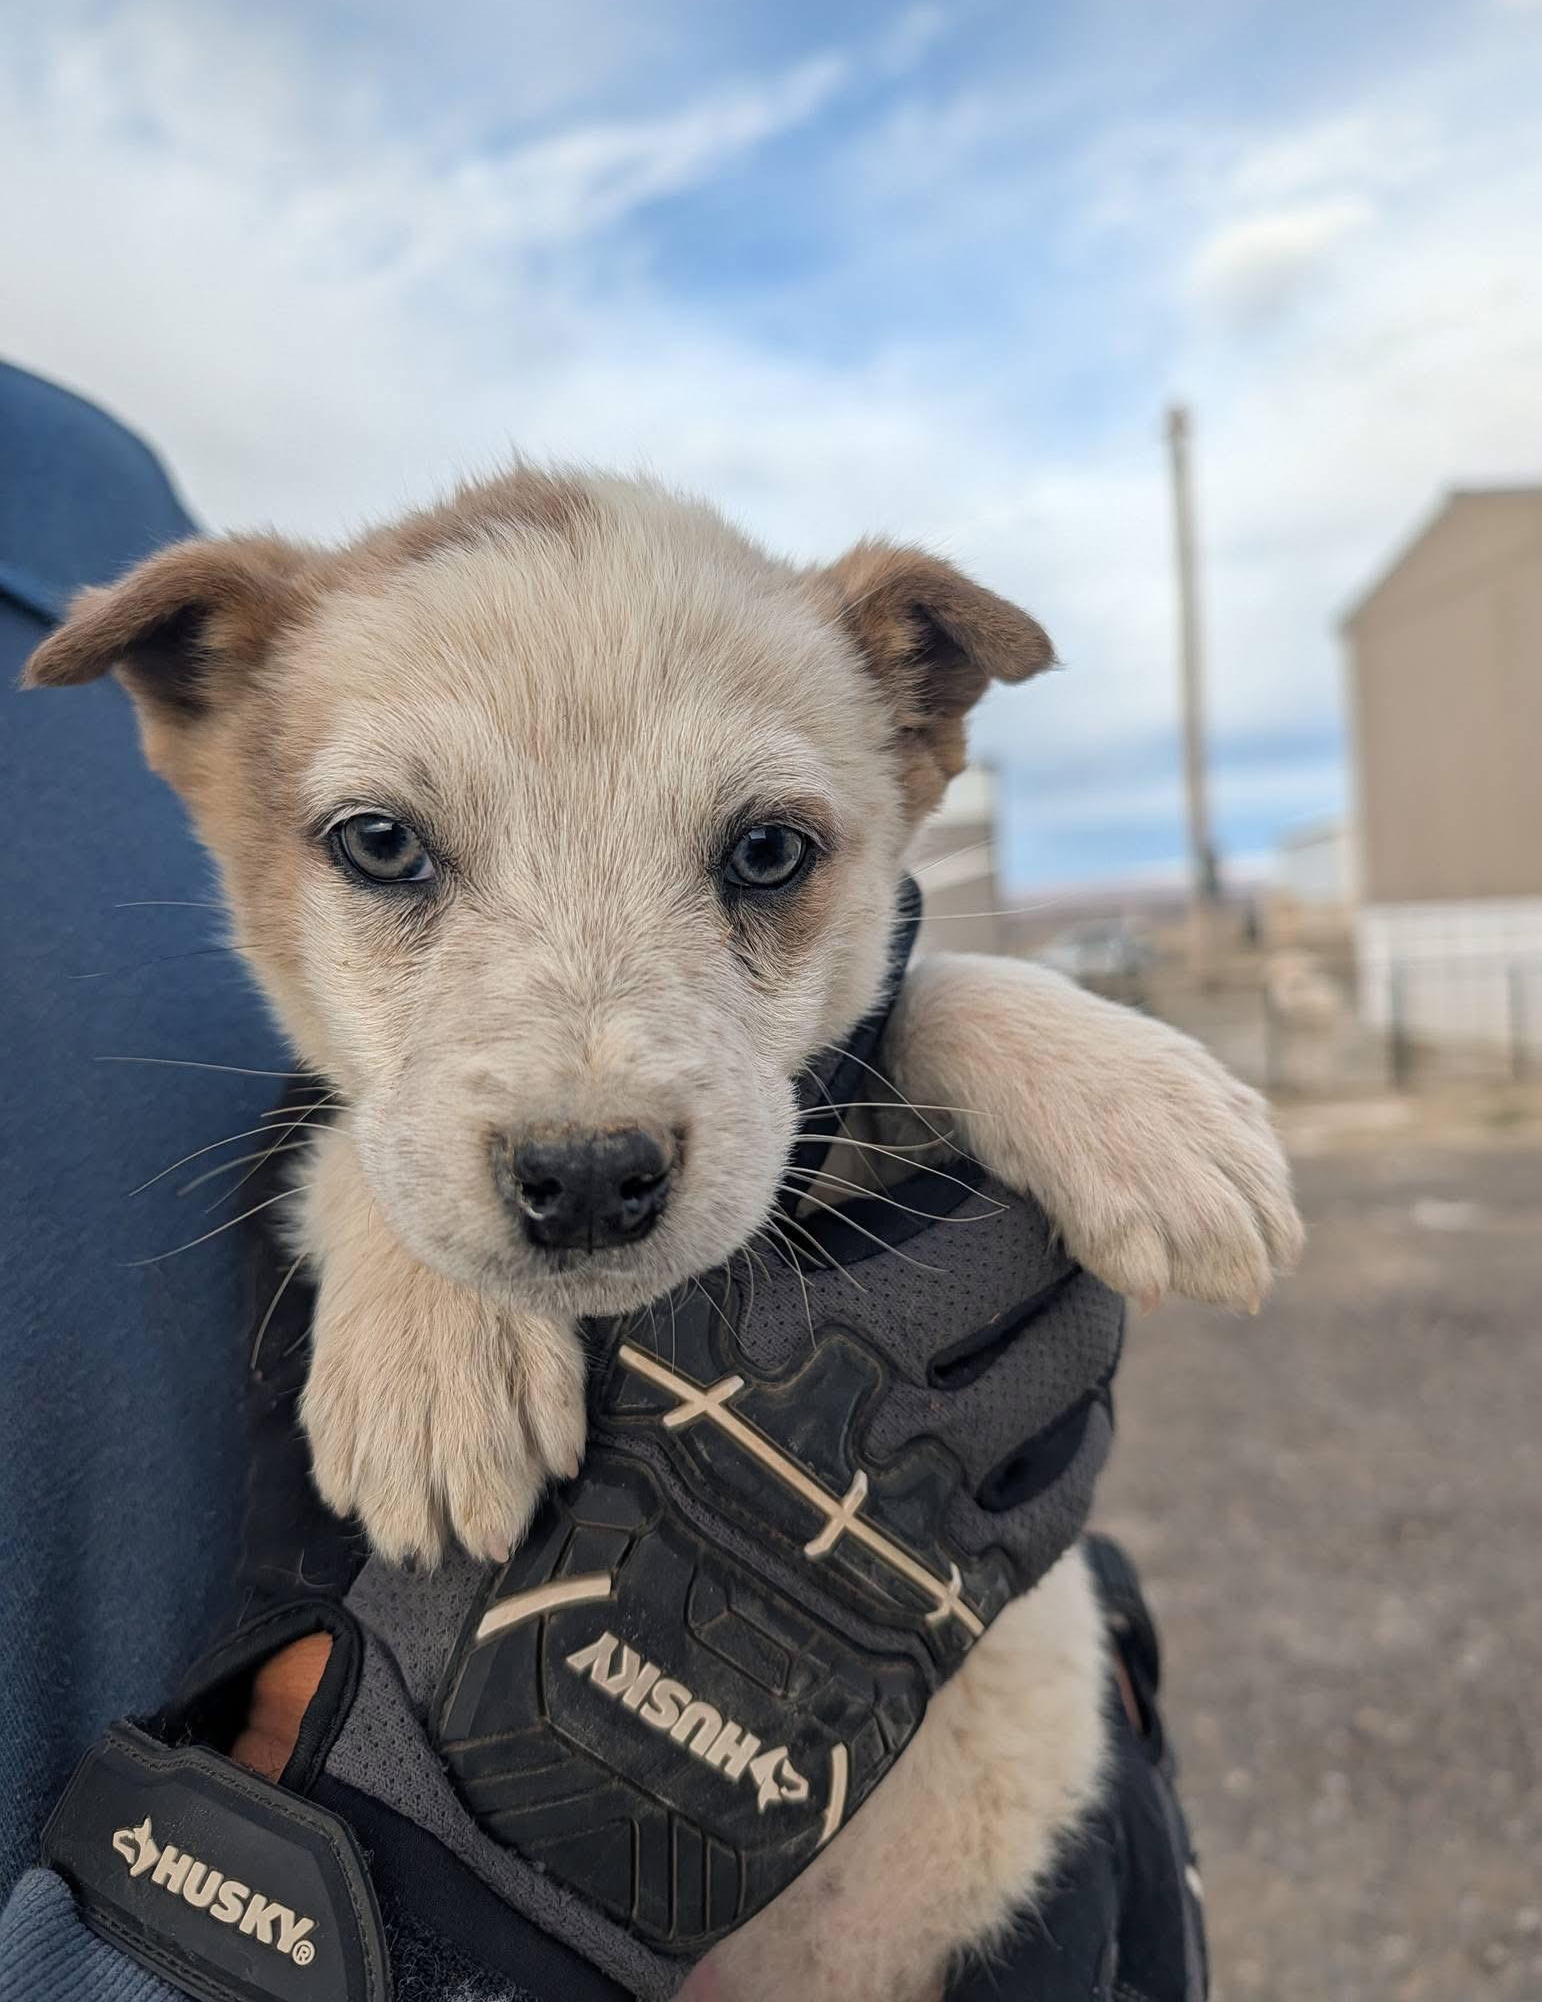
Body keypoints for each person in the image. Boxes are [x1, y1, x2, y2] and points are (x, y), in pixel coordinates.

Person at [0, 362, 1206, 2000]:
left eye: (759, 856)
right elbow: (327, 1125)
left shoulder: (89, 476)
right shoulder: (224, 634)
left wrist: (986, 1023)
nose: (585, 1116)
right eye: (388, 851)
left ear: (915, 744)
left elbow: (886, 1032)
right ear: (195, 711)